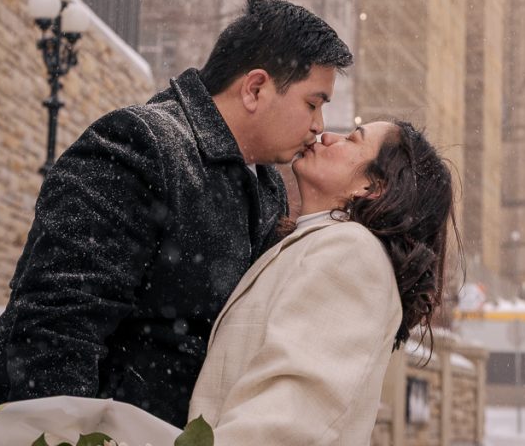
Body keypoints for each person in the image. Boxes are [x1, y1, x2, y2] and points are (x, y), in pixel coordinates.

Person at [0, 0, 352, 428]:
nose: (318, 125)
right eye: (313, 103)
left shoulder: (266, 188)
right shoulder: (138, 144)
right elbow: (59, 323)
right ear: (255, 88)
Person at [188, 118, 458, 446]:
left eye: (352, 139)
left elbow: (291, 416)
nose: (326, 135)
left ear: (371, 187)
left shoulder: (352, 253)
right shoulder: (313, 244)